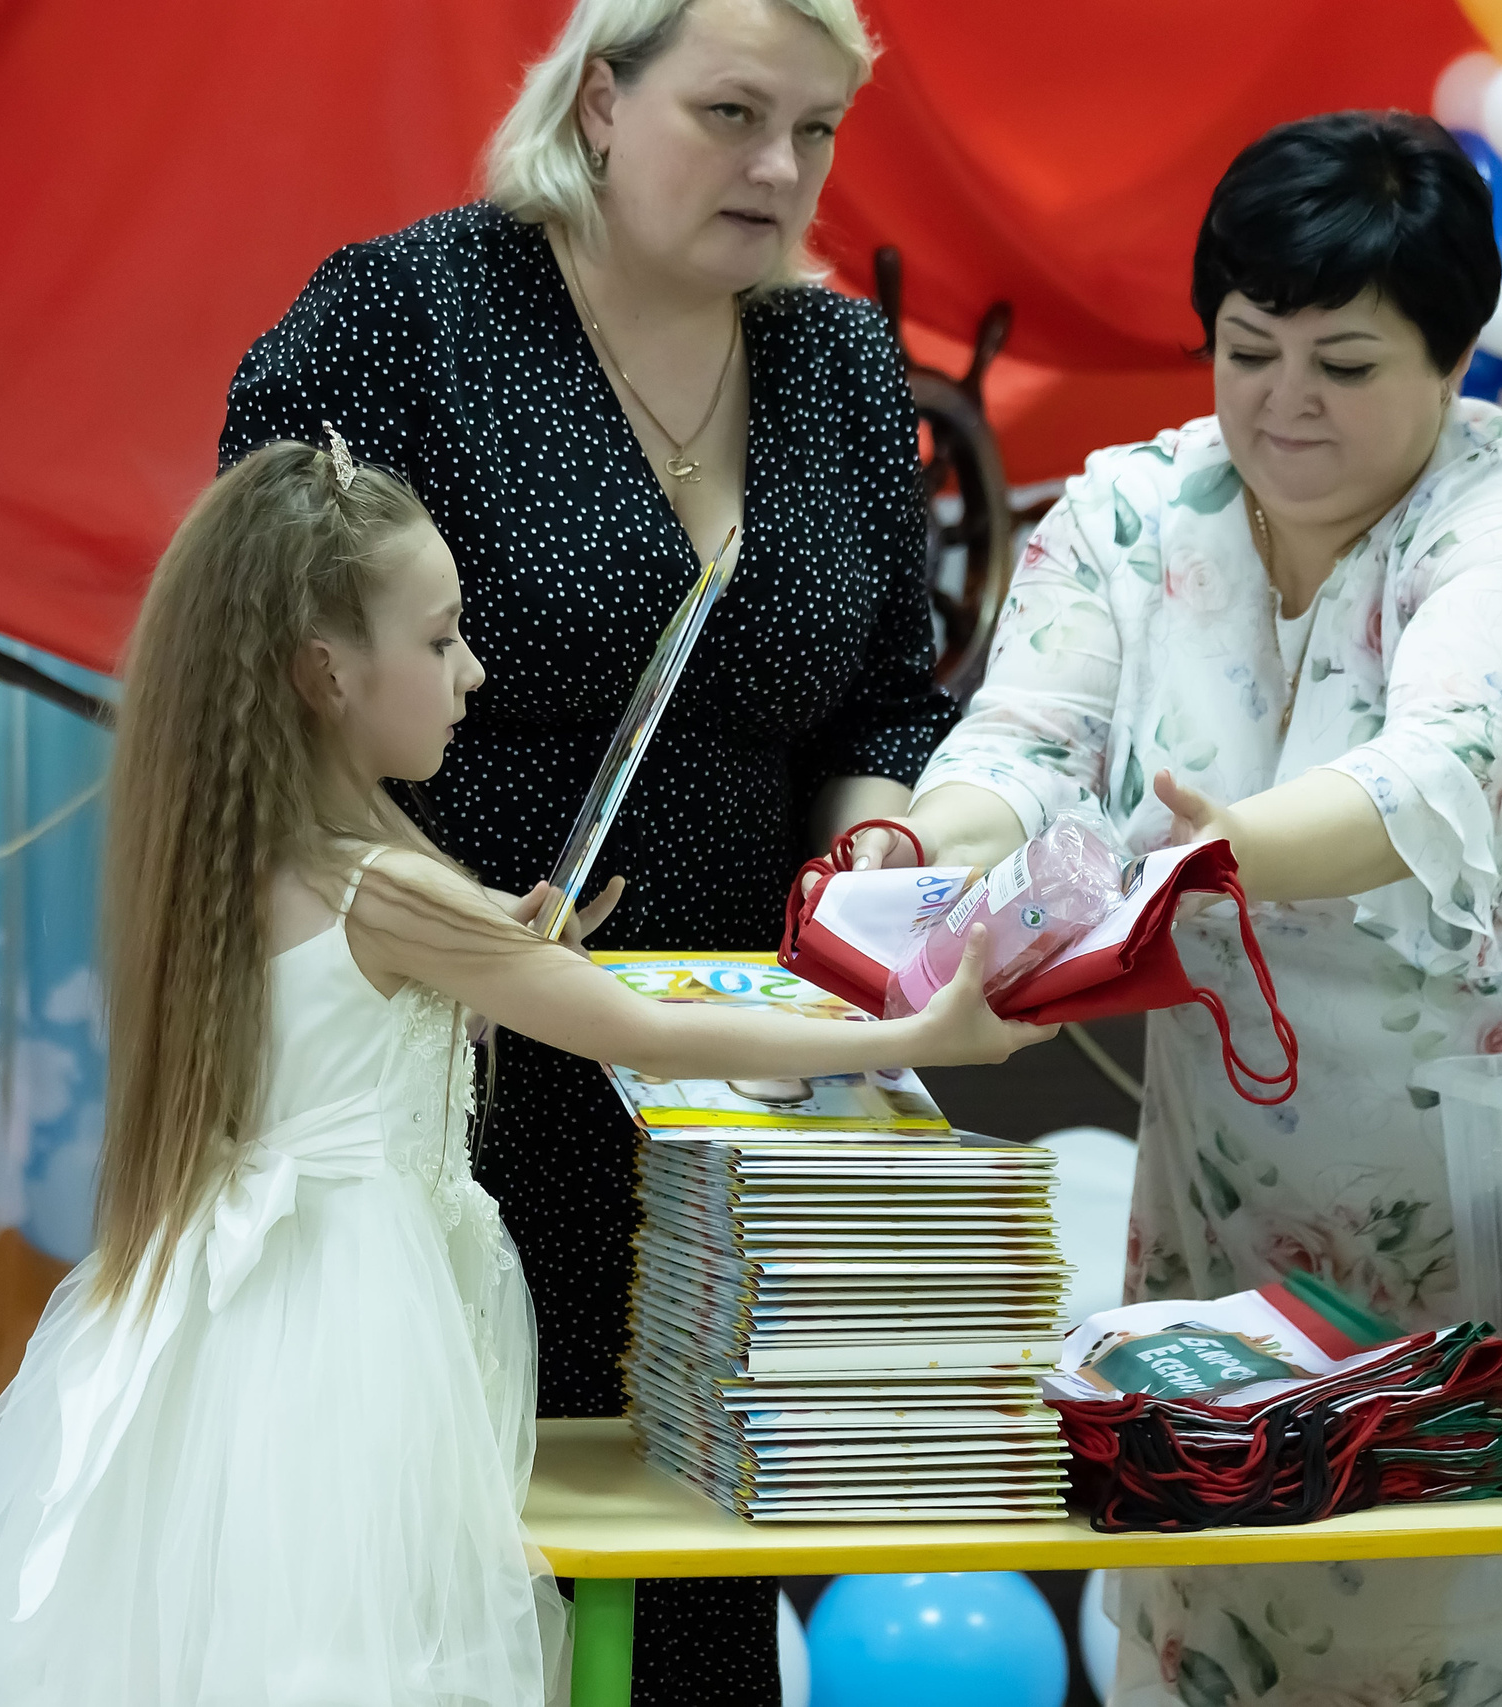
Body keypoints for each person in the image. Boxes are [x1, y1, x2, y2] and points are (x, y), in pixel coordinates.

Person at [857, 112, 1502, 1704]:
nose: (1285, 401)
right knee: (1261, 1553)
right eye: (1249, 347)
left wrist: (1196, 860)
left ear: (1450, 358)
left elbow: (1440, 767)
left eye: (1346, 362)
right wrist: (916, 858)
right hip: (1263, 1158)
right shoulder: (1136, 513)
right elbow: (1028, 741)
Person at [0, 436, 1048, 1704]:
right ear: (326, 672)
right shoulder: (386, 888)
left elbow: (352, 1024)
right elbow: (648, 1030)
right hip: (350, 1324)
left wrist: (492, 948)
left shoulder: (245, 858)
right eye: (443, 639)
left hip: (251, 1318)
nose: (474, 671)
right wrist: (907, 1037)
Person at [219, 0, 947, 1686]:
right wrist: (442, 924)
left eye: (818, 129)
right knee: (457, 1560)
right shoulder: (405, 317)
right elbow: (257, 674)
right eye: (733, 112)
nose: (780, 166)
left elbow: (888, 697)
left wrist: (880, 864)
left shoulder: (836, 366)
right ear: (603, 99)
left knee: (695, 1547)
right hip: (446, 1051)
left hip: (729, 1071)